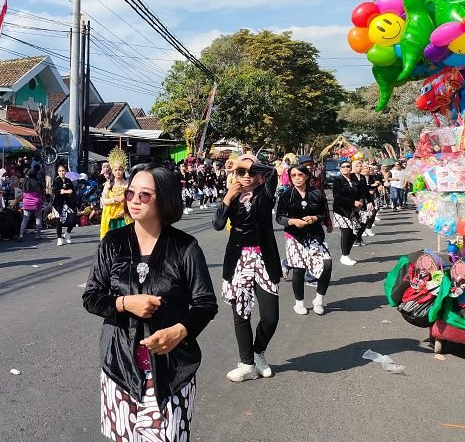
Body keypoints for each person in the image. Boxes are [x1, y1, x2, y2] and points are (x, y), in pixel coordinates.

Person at [83, 163, 217, 440]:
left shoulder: (185, 247)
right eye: (130, 193)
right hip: (119, 367)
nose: (134, 200)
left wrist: (179, 331)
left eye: (144, 195)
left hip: (171, 373)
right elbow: (92, 296)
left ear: (164, 199)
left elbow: (205, 303)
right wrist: (123, 303)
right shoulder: (113, 242)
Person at [212, 154, 281, 382]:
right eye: (241, 172)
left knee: (270, 317)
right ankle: (247, 363)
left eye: (252, 171)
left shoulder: (265, 193)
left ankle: (258, 352)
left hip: (264, 258)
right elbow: (218, 225)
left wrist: (241, 162)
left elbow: (272, 172)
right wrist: (228, 197)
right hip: (238, 260)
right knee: (241, 314)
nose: (246, 176)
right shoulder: (231, 196)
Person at [276, 165, 333, 316]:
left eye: (300, 174)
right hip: (295, 236)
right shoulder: (286, 195)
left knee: (327, 265)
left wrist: (315, 218)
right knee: (299, 269)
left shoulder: (316, 193)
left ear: (307, 176)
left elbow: (323, 213)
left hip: (315, 235)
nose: (297, 178)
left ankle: (318, 300)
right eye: (293, 175)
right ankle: (299, 303)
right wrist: (292, 221)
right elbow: (279, 217)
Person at [332, 161, 362, 266]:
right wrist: (352, 202)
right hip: (341, 210)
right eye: (343, 166)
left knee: (354, 232)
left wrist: (360, 202)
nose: (346, 168)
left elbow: (360, 192)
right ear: (340, 169)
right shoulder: (338, 180)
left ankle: (346, 254)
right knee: (346, 232)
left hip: (353, 210)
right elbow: (337, 197)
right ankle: (345, 256)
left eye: (348, 166)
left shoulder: (354, 179)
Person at [100, 147, 131, 239]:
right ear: (112, 171)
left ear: (123, 170)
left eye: (120, 169)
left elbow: (132, 201)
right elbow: (103, 200)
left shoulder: (127, 185)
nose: (118, 172)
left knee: (125, 239)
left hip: (124, 216)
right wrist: (114, 199)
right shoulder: (108, 184)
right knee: (112, 239)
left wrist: (125, 210)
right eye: (115, 170)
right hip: (110, 216)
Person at [17, 164, 44, 243]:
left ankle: (21, 235)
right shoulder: (38, 182)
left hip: (26, 203)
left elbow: (22, 193)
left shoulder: (25, 182)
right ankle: (38, 235)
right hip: (36, 203)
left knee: (25, 219)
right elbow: (42, 193)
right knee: (38, 218)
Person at [51, 164, 77, 246]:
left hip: (68, 202)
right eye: (60, 171)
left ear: (66, 171)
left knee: (73, 220)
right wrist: (64, 191)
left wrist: (70, 192)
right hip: (59, 203)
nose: (62, 172)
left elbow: (73, 191)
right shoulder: (56, 181)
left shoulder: (68, 180)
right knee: (59, 221)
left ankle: (68, 233)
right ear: (58, 172)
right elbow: (55, 191)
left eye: (63, 171)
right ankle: (59, 238)